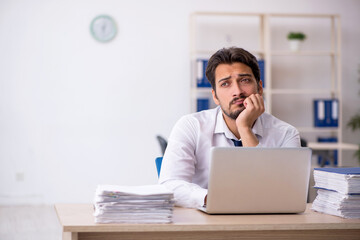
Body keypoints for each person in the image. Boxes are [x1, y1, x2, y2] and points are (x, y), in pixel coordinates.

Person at [158, 47, 300, 208]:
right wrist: (216, 199)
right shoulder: (191, 126)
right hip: (206, 222)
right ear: (215, 96)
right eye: (225, 84)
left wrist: (244, 128)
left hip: (266, 224)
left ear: (259, 88)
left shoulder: (286, 134)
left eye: (244, 80)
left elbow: (286, 193)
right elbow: (170, 184)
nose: (237, 91)